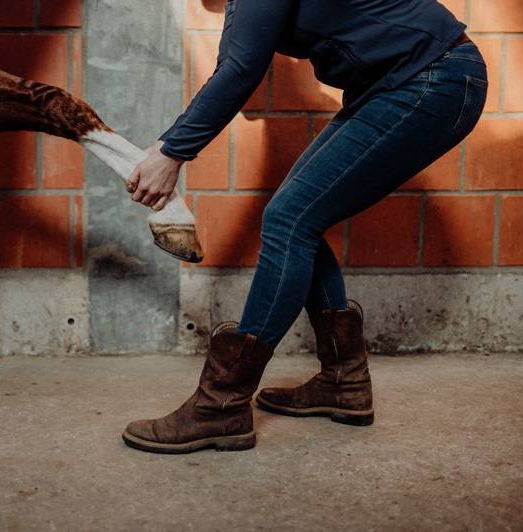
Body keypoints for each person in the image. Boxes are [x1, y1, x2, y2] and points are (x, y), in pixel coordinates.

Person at [122, 0, 487, 454]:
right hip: (410, 80)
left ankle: (222, 405)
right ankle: (343, 382)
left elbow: (238, 68)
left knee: (289, 218)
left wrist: (172, 152)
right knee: (296, 217)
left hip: (429, 78)